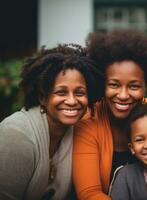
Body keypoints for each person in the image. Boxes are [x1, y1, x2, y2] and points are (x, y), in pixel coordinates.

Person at [72, 29, 147, 200]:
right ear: (102, 83)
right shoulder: (89, 122)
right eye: (114, 85)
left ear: (145, 86)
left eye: (134, 86)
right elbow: (89, 194)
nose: (123, 95)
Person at [0, 44, 103, 200]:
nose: (72, 101)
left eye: (79, 92)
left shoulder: (76, 130)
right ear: (42, 97)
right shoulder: (16, 134)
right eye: (61, 92)